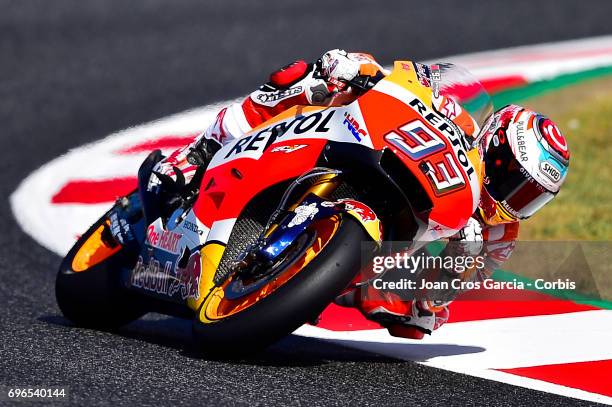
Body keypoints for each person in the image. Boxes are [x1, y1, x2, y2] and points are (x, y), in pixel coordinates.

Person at [150, 50, 571, 339]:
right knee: (310, 74)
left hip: (379, 270)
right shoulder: (459, 120)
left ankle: (294, 275)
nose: (515, 201)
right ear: (494, 146)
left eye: (531, 197)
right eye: (515, 182)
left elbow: (426, 312)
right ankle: (199, 152)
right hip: (377, 158)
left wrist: (449, 272)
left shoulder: (499, 234)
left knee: (407, 318)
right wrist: (359, 69)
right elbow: (410, 83)